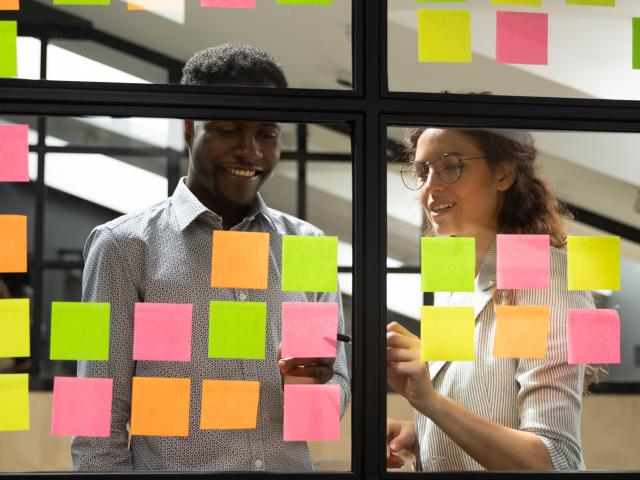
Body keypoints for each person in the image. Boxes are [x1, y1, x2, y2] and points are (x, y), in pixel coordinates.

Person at [71, 43, 350, 472]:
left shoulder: (307, 245)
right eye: (226, 129)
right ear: (188, 127)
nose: (250, 151)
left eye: (266, 134)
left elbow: (327, 407)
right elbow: (94, 422)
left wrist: (314, 387)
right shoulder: (122, 246)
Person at [386, 127, 595, 471]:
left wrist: (432, 404)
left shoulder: (537, 273)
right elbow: (479, 413)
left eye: (450, 166)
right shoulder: (453, 276)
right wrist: (420, 434)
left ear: (503, 174)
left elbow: (553, 460)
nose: (430, 187)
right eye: (422, 172)